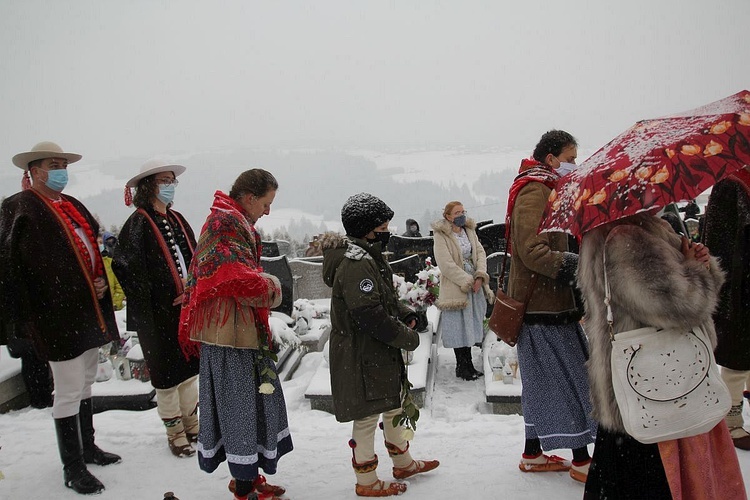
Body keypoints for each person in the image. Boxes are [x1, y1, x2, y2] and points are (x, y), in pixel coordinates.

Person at [578, 213, 746, 499]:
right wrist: (696, 268)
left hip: (658, 380)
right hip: (659, 387)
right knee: (658, 479)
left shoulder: (634, 230)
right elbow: (678, 306)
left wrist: (696, 262)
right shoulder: (625, 239)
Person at [0, 141, 121, 495]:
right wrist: (20, 321)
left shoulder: (71, 206)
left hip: (86, 313)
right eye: (54, 164)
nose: (61, 171)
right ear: (34, 171)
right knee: (66, 391)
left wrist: (98, 280)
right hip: (55, 318)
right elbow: (10, 268)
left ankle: (88, 448)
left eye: (63, 164)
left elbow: (89, 251)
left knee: (84, 383)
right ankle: (73, 466)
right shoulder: (19, 208)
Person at [178, 169, 291, 500]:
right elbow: (236, 280)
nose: (268, 211)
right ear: (250, 198)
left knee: (253, 405)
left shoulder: (232, 221)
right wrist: (273, 286)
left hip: (239, 330)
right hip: (228, 336)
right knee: (240, 410)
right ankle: (243, 488)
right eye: (266, 203)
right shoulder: (224, 224)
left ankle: (249, 476)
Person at [321, 193, 439, 497]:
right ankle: (367, 480)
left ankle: (403, 462)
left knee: (393, 404)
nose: (388, 231)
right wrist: (407, 337)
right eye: (384, 226)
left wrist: (405, 314)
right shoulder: (357, 264)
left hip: (374, 351)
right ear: (368, 229)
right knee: (367, 416)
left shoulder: (367, 255)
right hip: (362, 352)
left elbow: (382, 299)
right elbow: (368, 314)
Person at [506, 130, 595, 482]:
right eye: (570, 156)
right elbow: (529, 249)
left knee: (544, 380)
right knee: (569, 378)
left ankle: (532, 454)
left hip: (550, 303)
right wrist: (573, 265)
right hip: (543, 305)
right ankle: (581, 460)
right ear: (551, 159)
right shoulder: (534, 190)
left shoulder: (547, 187)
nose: (575, 162)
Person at [112, 159, 200, 458]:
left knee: (189, 371)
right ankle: (175, 432)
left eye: (172, 180)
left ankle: (192, 424)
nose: (170, 185)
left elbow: (195, 257)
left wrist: (191, 290)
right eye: (165, 180)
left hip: (185, 311)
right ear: (149, 185)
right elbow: (126, 269)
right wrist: (164, 296)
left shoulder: (177, 219)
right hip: (156, 316)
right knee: (166, 375)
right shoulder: (137, 224)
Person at [703, 164, 750, 450]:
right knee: (738, 357)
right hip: (740, 290)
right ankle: (732, 422)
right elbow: (718, 244)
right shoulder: (730, 184)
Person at [431, 201, 493, 381]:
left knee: (471, 323)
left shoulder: (469, 231)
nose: (461, 215)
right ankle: (462, 365)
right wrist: (466, 280)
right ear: (448, 216)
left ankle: (469, 364)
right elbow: (445, 263)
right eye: (457, 212)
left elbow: (480, 253)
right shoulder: (441, 235)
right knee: (459, 326)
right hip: (455, 284)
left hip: (475, 281)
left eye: (462, 211)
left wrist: (480, 275)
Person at [99, 232, 125, 311]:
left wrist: (115, 303)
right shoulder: (91, 264)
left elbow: (119, 285)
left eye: (100, 243)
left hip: (114, 309)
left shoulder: (110, 262)